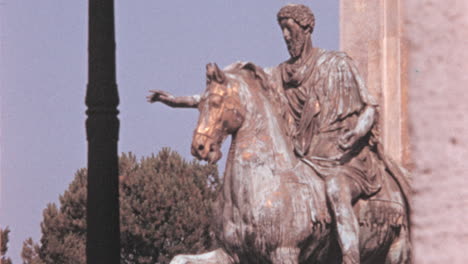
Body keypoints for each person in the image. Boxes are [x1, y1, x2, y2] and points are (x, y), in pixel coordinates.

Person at [148, 4, 409, 263]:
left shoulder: (336, 63)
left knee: (335, 189)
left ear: (306, 29)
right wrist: (178, 101)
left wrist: (356, 132)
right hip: (307, 156)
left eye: (289, 29)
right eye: (282, 30)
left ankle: (351, 258)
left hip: (343, 156)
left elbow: (370, 107)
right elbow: (227, 97)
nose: (285, 36)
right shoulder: (278, 75)